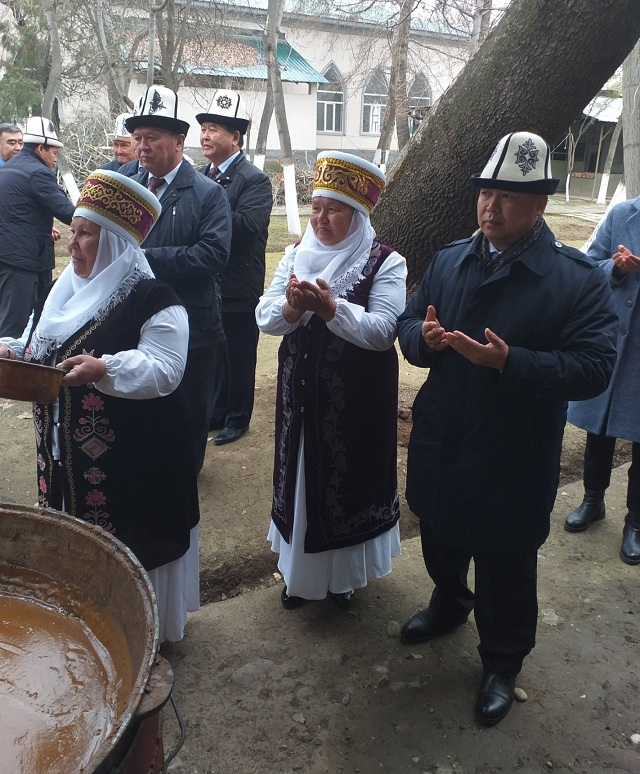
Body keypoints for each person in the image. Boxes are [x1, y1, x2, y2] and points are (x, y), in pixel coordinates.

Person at [397, 131, 617, 726]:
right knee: (439, 529)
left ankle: (502, 659)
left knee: (506, 558)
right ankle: (449, 600)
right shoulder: (451, 258)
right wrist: (425, 338)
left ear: (542, 204)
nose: (490, 207)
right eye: (485, 193)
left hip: (513, 445)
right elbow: (410, 320)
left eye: (509, 197)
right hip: (446, 429)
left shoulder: (576, 279)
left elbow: (595, 367)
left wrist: (510, 361)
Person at [0, 170, 200, 643]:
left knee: (134, 544)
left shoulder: (156, 299)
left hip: (135, 462)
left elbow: (165, 369)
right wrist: (13, 351)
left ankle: (144, 635)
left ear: (112, 241)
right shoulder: (62, 291)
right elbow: (39, 342)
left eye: (85, 232)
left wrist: (106, 369)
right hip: (65, 461)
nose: (74, 242)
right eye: (73, 229)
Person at [256, 151, 407, 609]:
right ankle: (299, 576)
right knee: (301, 475)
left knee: (346, 480)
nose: (320, 218)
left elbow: (383, 331)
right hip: (299, 396)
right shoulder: (298, 254)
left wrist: (331, 309)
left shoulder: (386, 262)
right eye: (316, 206)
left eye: (334, 209)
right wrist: (292, 309)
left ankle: (342, 580)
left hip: (354, 402)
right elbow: (264, 316)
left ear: (357, 214)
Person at [127, 85, 232, 472]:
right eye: (138, 138)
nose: (142, 146)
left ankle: (186, 477)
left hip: (192, 322)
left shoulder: (207, 194)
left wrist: (148, 258)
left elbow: (214, 254)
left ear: (179, 141)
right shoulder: (128, 186)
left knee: (187, 408)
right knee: (144, 404)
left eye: (152, 138)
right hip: (137, 318)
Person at [564, 198, 640, 565]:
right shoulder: (623, 214)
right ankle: (592, 500)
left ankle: (636, 522)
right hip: (612, 339)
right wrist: (617, 267)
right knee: (600, 425)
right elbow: (590, 266)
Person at [197, 89, 273, 445]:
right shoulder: (200, 176)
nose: (206, 135)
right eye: (203, 129)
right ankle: (216, 410)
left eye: (214, 129)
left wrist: (210, 208)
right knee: (213, 352)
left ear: (235, 137)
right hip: (206, 281)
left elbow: (246, 227)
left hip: (239, 283)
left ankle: (238, 417)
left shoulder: (254, 180)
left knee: (239, 353)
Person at [0, 116, 75, 338]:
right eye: (53, 153)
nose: (54, 159)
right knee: (16, 327)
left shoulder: (9, 168)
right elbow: (67, 212)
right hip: (22, 261)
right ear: (41, 148)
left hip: (8, 255)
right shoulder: (38, 173)